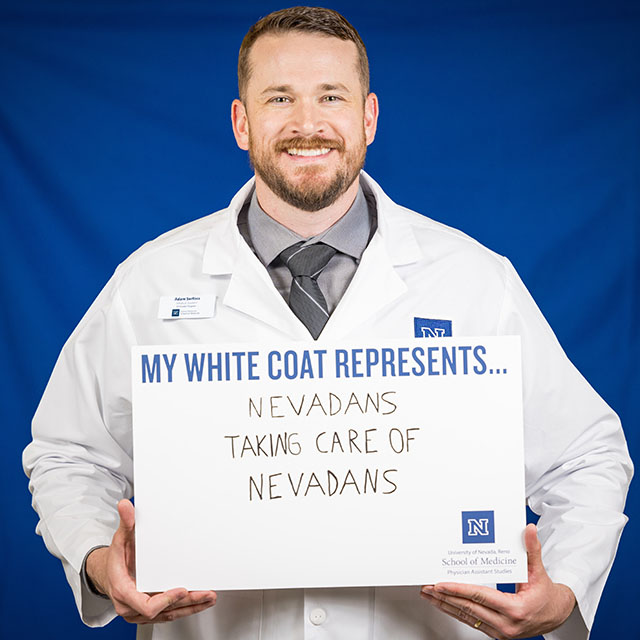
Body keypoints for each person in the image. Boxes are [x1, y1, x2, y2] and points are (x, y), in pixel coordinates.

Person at [24, 6, 632, 640]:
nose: (306, 124)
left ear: (368, 117)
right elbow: (70, 454)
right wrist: (99, 561)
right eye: (279, 97)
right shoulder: (150, 283)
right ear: (242, 122)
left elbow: (585, 456)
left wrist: (562, 590)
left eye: (331, 97)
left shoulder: (474, 280)